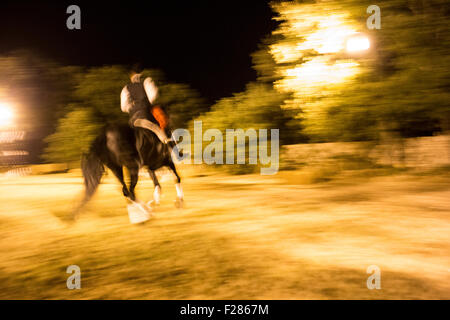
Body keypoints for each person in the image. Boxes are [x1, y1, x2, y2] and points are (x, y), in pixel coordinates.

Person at [120, 70, 171, 144]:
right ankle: (166, 141)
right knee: (156, 127)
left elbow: (123, 107)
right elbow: (153, 97)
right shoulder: (146, 82)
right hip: (145, 115)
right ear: (139, 75)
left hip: (132, 120)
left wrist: (132, 107)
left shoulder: (125, 88)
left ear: (131, 78)